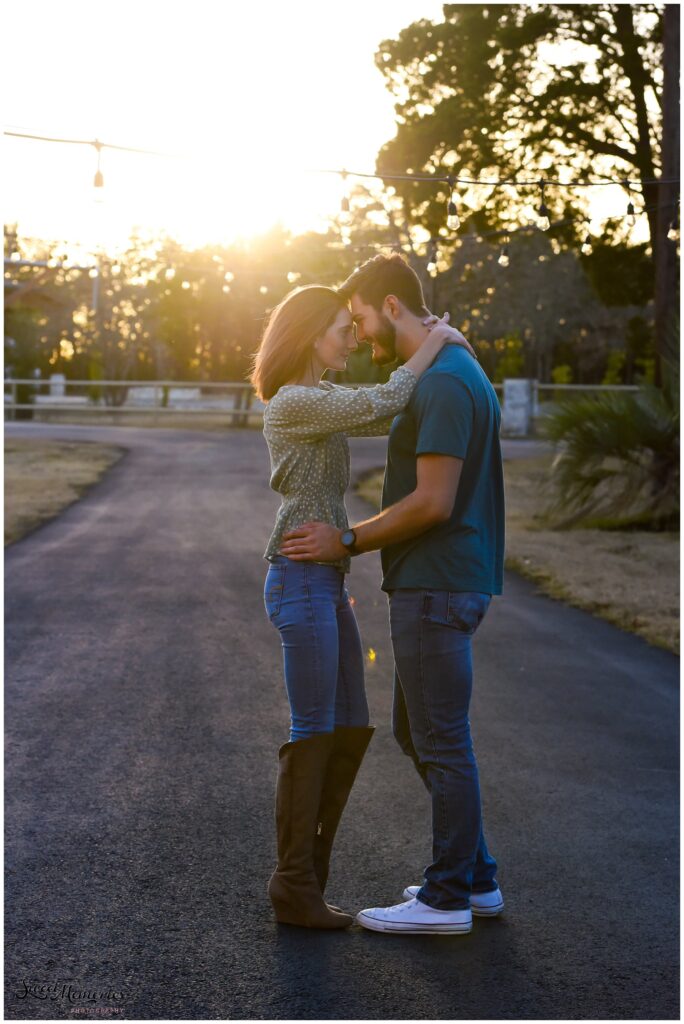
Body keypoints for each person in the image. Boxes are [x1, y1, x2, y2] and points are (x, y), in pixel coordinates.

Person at [279, 254, 505, 936]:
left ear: (392, 306)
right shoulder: (453, 370)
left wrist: (347, 542)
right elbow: (378, 405)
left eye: (362, 319)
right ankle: (477, 879)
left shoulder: (442, 383)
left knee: (440, 737)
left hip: (435, 582)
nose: (360, 334)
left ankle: (445, 900)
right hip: (447, 580)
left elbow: (431, 502)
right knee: (423, 729)